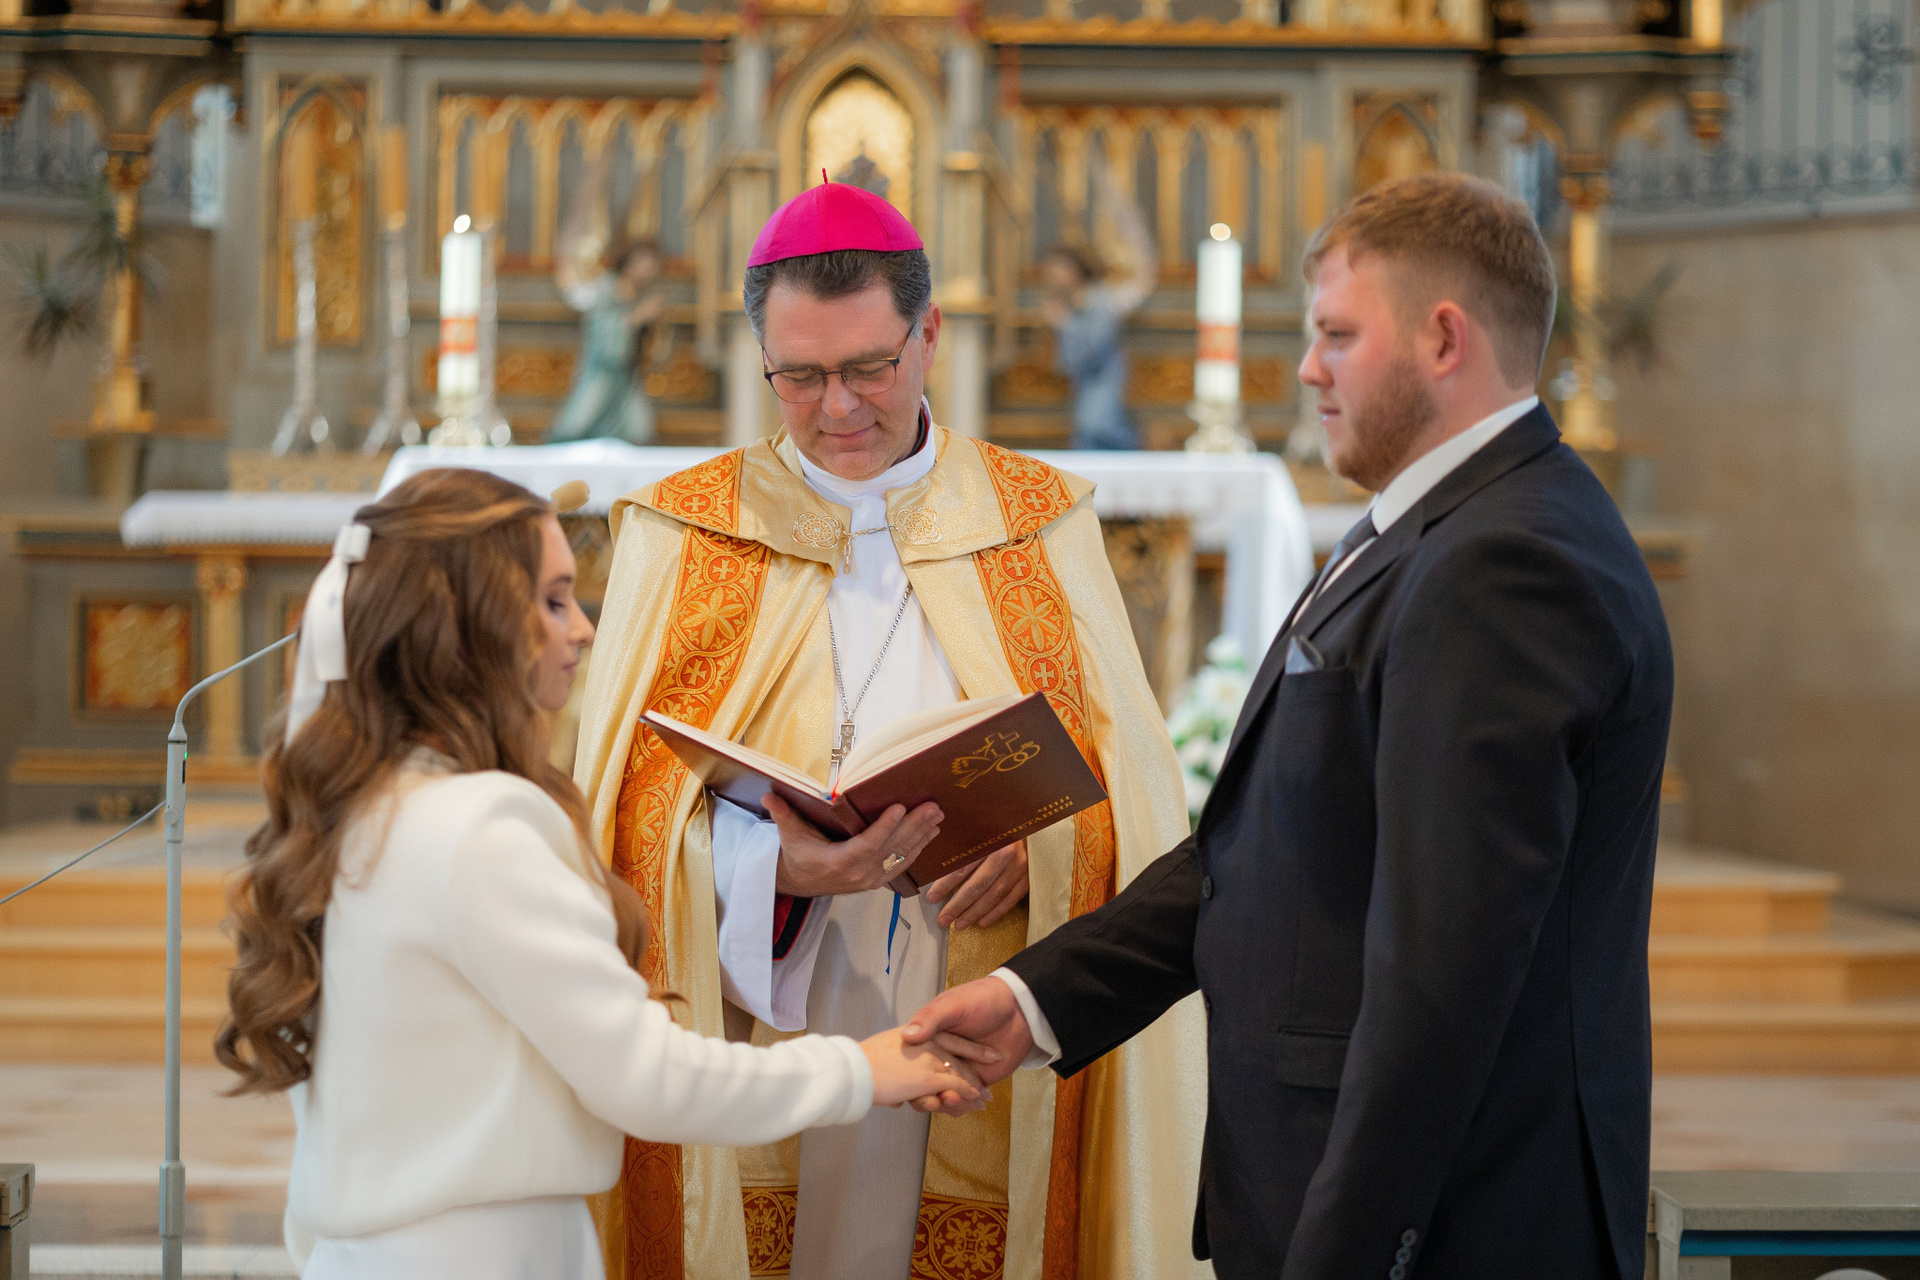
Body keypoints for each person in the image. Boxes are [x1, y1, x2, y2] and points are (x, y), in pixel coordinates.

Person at [907, 172, 1676, 1280]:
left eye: (1337, 335)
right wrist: (1040, 999)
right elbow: (1263, 851)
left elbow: (1442, 980)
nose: (1309, 367)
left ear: (1444, 338)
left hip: (1440, 1230)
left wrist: (1340, 1256)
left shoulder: (1506, 564)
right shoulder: (1433, 527)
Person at [572, 180, 1204, 1280]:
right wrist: (773, 867)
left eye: (870, 366)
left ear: (930, 334)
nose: (838, 408)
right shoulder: (683, 532)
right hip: (759, 1000)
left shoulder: (1035, 523)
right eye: (800, 375)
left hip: (975, 982)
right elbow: (619, 821)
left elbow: (1135, 800)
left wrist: (1042, 848)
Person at [214, 468, 984, 1280]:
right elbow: (647, 1079)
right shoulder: (481, 826)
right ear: (466, 626)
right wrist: (864, 1069)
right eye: (552, 602)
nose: (583, 629)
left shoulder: (360, 812)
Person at [1037, 170, 1154, 450]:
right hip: (1086, 393)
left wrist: (1065, 324)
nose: (1053, 277)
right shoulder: (1075, 304)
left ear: (1074, 269)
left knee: (1099, 429)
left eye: (1058, 269)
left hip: (1104, 389)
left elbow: (1095, 347)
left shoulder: (1100, 301)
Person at [549, 238, 664, 445]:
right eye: (645, 262)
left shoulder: (641, 293)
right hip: (601, 372)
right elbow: (604, 337)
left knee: (637, 430)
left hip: (626, 377)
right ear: (630, 262)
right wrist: (637, 317)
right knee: (579, 425)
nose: (650, 270)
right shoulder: (607, 288)